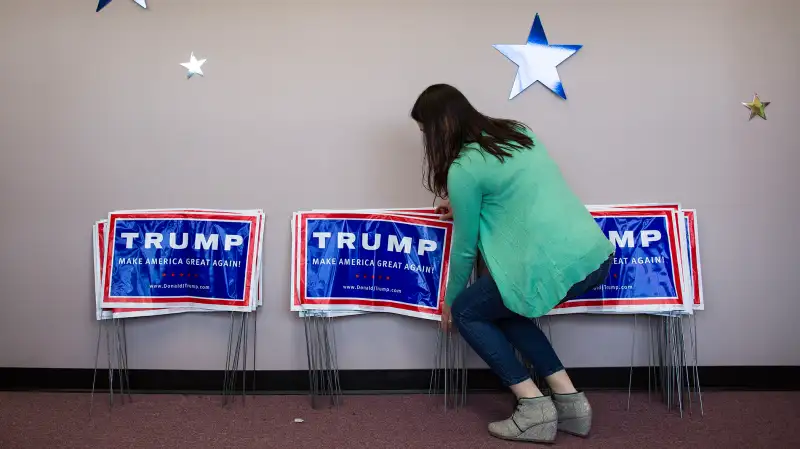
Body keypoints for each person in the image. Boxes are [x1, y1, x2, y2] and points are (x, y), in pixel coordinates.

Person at [411, 84, 614, 444]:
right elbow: (516, 189)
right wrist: (463, 203)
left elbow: (464, 249)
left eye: (425, 130)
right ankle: (571, 404)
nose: (426, 139)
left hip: (544, 264)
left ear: (441, 126)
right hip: (593, 254)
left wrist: (449, 303)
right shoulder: (518, 133)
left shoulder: (464, 169)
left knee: (468, 311)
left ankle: (533, 406)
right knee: (507, 310)